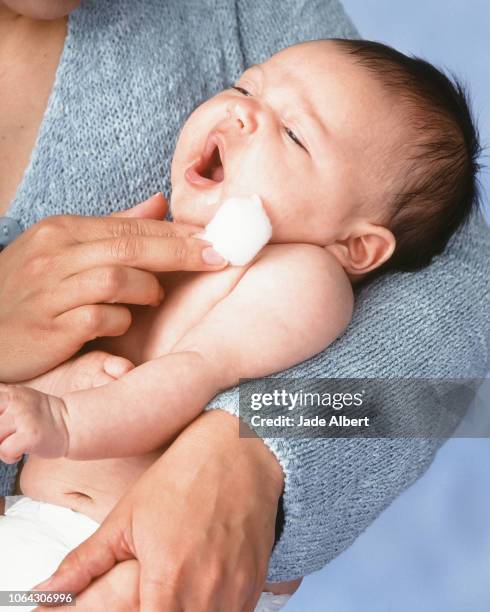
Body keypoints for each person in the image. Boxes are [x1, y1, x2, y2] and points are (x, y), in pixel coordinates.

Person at [1, 1, 489, 611]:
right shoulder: (188, 249)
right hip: (37, 528)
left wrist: (66, 420)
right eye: (242, 85)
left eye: (292, 132)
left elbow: (194, 370)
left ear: (358, 246)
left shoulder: (299, 276)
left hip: (123, 562)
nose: (241, 109)